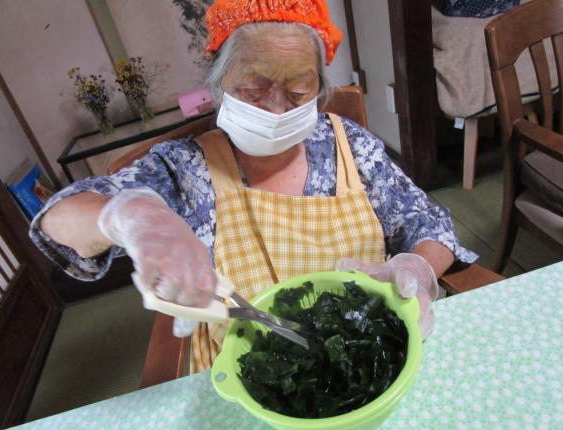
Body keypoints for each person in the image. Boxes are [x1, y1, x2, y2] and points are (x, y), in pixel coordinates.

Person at [31, 0, 477, 373]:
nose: (277, 108)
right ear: (218, 85)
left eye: (298, 91)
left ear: (319, 88)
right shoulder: (186, 169)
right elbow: (59, 220)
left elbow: (428, 224)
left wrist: (418, 267)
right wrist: (129, 215)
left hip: (367, 354)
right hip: (249, 372)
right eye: (252, 90)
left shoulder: (350, 146)